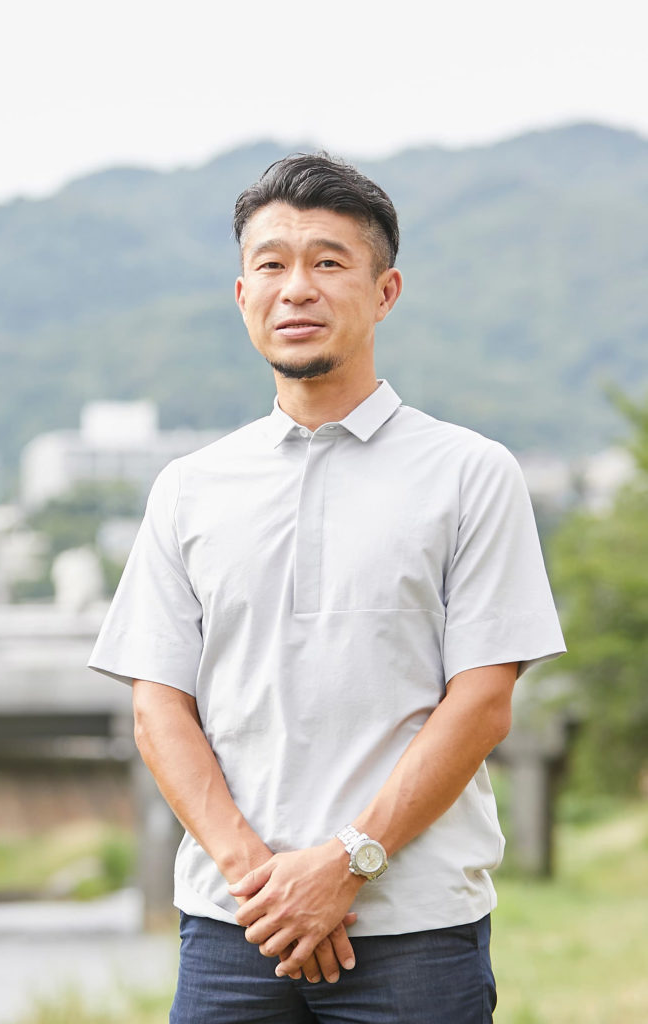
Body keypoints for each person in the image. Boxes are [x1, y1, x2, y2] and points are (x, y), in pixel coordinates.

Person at [89, 152, 565, 1023]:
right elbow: (158, 709)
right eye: (271, 264)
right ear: (243, 295)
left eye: (328, 262)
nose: (296, 288)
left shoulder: (470, 472)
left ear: (385, 292)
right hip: (235, 929)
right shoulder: (189, 487)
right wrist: (263, 882)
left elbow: (482, 703)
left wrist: (346, 864)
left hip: (415, 931)